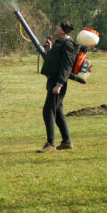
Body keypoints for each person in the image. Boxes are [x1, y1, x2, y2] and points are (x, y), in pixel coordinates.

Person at [38, 21, 77, 153]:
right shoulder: (59, 43)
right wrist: (49, 49)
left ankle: (50, 144)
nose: (55, 27)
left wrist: (59, 84)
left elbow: (66, 66)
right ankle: (66, 142)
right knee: (58, 113)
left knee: (48, 110)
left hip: (57, 83)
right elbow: (54, 59)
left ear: (63, 31)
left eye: (58, 26)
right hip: (52, 81)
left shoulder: (68, 44)